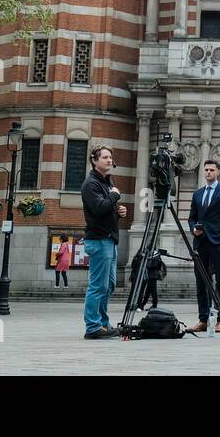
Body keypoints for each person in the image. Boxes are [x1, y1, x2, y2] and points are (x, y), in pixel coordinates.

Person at [80, 145, 126, 340]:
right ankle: (93, 327)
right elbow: (98, 208)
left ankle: (103, 324)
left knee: (109, 285)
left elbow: (106, 209)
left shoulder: (106, 182)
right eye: (105, 157)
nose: (109, 160)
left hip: (109, 240)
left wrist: (118, 211)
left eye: (110, 157)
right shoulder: (91, 184)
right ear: (95, 160)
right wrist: (114, 195)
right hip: (98, 240)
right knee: (98, 285)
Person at [188, 158, 220, 334]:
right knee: (201, 281)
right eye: (206, 170)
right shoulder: (198, 194)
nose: (208, 172)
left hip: (218, 243)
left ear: (218, 172)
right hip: (201, 243)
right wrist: (193, 228)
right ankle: (203, 320)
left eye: (211, 170)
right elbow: (192, 217)